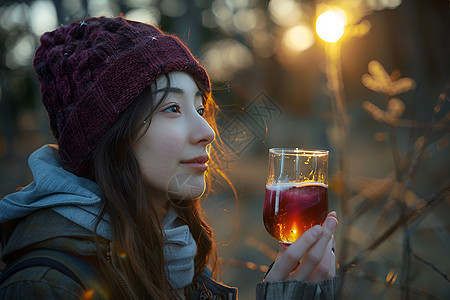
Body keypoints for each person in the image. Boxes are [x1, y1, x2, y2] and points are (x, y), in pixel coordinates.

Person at [0, 16, 338, 299]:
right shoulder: (45, 286)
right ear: (109, 135)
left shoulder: (172, 254)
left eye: (200, 108)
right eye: (172, 108)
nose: (207, 131)